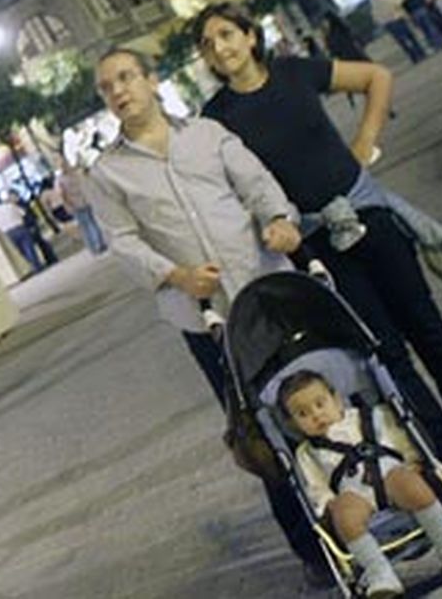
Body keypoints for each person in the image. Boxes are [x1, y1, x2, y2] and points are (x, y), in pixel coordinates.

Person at [194, 2, 442, 496]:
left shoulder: (296, 72)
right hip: (316, 245)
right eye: (209, 43)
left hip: (367, 215)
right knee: (385, 352)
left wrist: (365, 141)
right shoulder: (215, 120)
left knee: (430, 329)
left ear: (250, 36)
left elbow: (376, 77)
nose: (221, 47)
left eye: (227, 34)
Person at [82, 46, 327, 584]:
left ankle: (356, 509)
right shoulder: (107, 174)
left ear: (151, 80)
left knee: (315, 400)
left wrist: (280, 220)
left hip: (269, 294)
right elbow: (121, 244)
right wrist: (176, 275)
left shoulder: (207, 135)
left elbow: (258, 184)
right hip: (207, 321)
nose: (118, 91)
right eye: (107, 87)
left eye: (126, 77)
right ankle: (312, 550)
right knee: (258, 431)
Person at [279, 371, 442, 597]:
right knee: (344, 514)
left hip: (390, 474)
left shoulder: (371, 416)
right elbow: (317, 487)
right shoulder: (307, 453)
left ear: (337, 399)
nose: (316, 415)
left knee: (412, 484)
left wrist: (412, 460)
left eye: (320, 404)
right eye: (303, 414)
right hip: (353, 494)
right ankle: (380, 573)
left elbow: (398, 439)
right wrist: (329, 505)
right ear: (293, 424)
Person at [0, 190, 53, 273]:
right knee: (29, 248)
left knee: (22, 251)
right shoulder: (10, 206)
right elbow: (23, 213)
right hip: (20, 228)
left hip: (8, 234)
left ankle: (34, 265)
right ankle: (37, 266)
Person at [58, 162, 106, 254]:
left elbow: (62, 194)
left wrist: (67, 205)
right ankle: (99, 244)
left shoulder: (61, 180)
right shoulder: (76, 175)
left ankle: (94, 246)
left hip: (76, 204)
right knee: (92, 222)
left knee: (86, 226)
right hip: (84, 201)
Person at [371, 0, 425, 64]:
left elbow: (375, 18)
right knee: (410, 37)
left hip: (388, 25)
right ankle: (420, 53)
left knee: (402, 42)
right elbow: (398, 2)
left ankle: (413, 57)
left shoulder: (374, 5)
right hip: (397, 20)